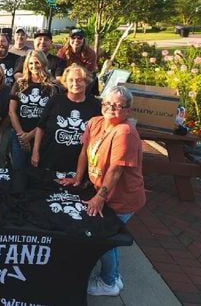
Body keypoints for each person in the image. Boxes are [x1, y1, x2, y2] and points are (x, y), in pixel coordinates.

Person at [58, 86, 146, 297]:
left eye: (117, 106)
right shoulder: (95, 122)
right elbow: (84, 153)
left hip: (122, 197)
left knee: (104, 239)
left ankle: (109, 282)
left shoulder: (125, 132)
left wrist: (100, 196)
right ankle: (114, 276)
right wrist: (78, 178)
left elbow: (116, 169)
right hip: (105, 192)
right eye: (107, 104)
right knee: (106, 237)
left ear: (128, 110)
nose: (110, 109)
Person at [31, 64, 101, 172]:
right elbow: (40, 128)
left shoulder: (95, 105)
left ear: (86, 81)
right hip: (49, 160)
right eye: (71, 80)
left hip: (77, 166)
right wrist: (35, 152)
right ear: (65, 82)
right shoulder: (55, 100)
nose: (75, 84)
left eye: (79, 80)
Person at [9, 51, 59, 170]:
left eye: (37, 63)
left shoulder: (52, 88)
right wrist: (22, 135)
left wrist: (30, 135)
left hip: (41, 137)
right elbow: (11, 111)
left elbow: (50, 117)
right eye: (30, 63)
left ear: (43, 63)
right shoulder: (20, 84)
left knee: (37, 173)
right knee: (18, 171)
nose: (34, 66)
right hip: (19, 136)